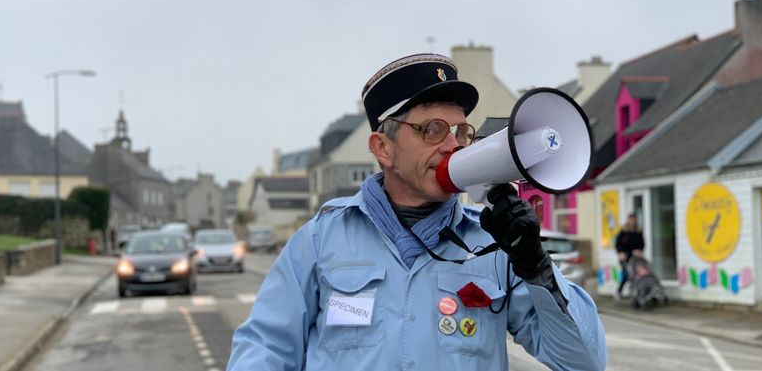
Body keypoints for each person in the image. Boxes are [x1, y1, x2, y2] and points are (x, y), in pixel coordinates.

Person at [227, 53, 607, 371]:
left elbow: (583, 360)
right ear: (383, 148)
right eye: (433, 130)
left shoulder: (494, 246)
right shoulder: (321, 239)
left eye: (461, 132)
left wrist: (536, 266)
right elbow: (265, 347)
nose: (452, 146)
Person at [614, 214, 645, 299]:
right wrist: (620, 253)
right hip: (625, 257)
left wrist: (640, 250)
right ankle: (619, 291)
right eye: (630, 219)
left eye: (633, 220)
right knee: (626, 274)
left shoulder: (638, 231)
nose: (632, 221)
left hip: (635, 257)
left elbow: (642, 244)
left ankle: (636, 291)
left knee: (636, 274)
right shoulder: (623, 232)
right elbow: (617, 244)